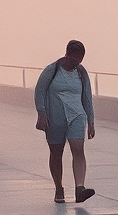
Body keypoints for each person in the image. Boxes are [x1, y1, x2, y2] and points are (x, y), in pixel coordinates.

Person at [35, 40, 96, 204]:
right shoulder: (52, 70)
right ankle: (59, 187)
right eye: (73, 59)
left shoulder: (81, 73)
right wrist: (41, 113)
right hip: (55, 116)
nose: (76, 63)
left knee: (78, 149)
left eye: (79, 60)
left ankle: (80, 189)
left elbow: (87, 97)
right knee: (56, 154)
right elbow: (39, 91)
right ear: (67, 54)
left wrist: (91, 120)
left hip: (77, 115)